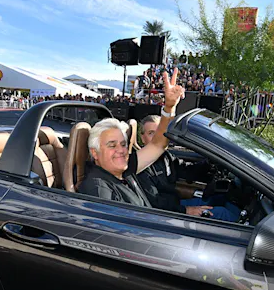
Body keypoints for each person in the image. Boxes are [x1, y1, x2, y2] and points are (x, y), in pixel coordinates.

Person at [80, 70, 201, 214]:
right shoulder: (98, 190)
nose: (121, 150)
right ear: (95, 152)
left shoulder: (125, 166)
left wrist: (169, 107)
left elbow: (158, 144)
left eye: (123, 144)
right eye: (112, 145)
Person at [136, 115, 241, 222]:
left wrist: (210, 161)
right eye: (151, 133)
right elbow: (155, 203)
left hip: (175, 203)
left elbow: (188, 171)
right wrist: (186, 210)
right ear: (142, 137)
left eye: (159, 132)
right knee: (221, 212)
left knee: (219, 199)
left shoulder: (165, 156)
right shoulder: (141, 165)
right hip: (167, 214)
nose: (156, 137)